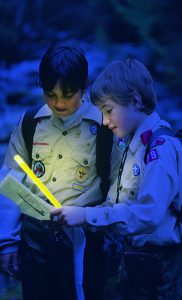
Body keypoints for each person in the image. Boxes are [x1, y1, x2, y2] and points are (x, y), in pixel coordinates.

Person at [51, 58, 182, 299]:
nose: (104, 121)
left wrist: (87, 216)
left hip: (163, 272)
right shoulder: (127, 146)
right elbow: (117, 205)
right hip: (135, 263)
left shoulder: (160, 149)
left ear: (135, 101)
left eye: (108, 110)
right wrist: (79, 215)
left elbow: (147, 215)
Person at [0, 43, 120, 300]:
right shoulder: (30, 122)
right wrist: (7, 243)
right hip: (35, 240)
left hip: (86, 241)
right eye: (50, 94)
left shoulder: (104, 127)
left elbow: (119, 186)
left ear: (84, 85)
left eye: (67, 94)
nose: (59, 102)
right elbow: (10, 181)